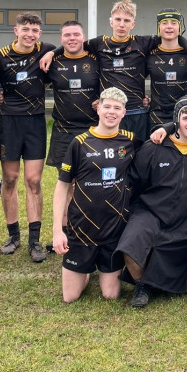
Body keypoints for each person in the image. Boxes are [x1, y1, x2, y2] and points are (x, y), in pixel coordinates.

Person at [118, 96, 187, 308]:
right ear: (176, 119)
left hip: (185, 220)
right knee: (130, 246)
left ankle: (156, 281)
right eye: (186, 118)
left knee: (170, 283)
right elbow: (133, 180)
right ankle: (141, 284)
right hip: (150, 211)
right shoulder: (154, 147)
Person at [52, 88, 140, 302]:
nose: (111, 112)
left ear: (124, 113)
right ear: (98, 108)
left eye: (117, 108)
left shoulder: (130, 140)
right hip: (82, 229)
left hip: (113, 229)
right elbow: (62, 186)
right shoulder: (80, 142)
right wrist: (57, 231)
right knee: (70, 297)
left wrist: (165, 129)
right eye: (107, 106)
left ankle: (98, 267)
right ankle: (84, 272)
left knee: (111, 295)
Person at [83, 0, 187, 140]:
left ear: (133, 24)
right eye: (118, 19)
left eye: (127, 20)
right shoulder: (98, 43)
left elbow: (170, 36)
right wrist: (97, 97)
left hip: (137, 112)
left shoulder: (142, 43)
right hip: (110, 113)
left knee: (140, 151)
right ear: (111, 22)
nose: (122, 24)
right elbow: (73, 47)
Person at [0, 11, 57, 262]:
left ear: (40, 33)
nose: (30, 34)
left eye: (35, 30)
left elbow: (70, 46)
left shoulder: (46, 50)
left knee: (33, 180)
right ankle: (13, 235)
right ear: (16, 30)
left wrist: (52, 53)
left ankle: (34, 240)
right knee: (10, 179)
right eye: (25, 29)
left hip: (35, 122)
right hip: (8, 123)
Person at [44, 20, 100, 181]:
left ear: (84, 37)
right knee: (66, 181)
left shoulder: (97, 60)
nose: (72, 38)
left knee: (91, 181)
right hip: (63, 131)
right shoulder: (53, 62)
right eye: (67, 35)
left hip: (93, 129)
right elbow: (35, 85)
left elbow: (113, 82)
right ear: (61, 39)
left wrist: (103, 99)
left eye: (76, 34)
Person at [147, 8, 187, 130]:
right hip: (158, 117)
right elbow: (136, 77)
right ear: (159, 27)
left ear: (180, 27)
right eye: (164, 23)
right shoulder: (150, 55)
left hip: (185, 115)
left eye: (173, 23)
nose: (169, 26)